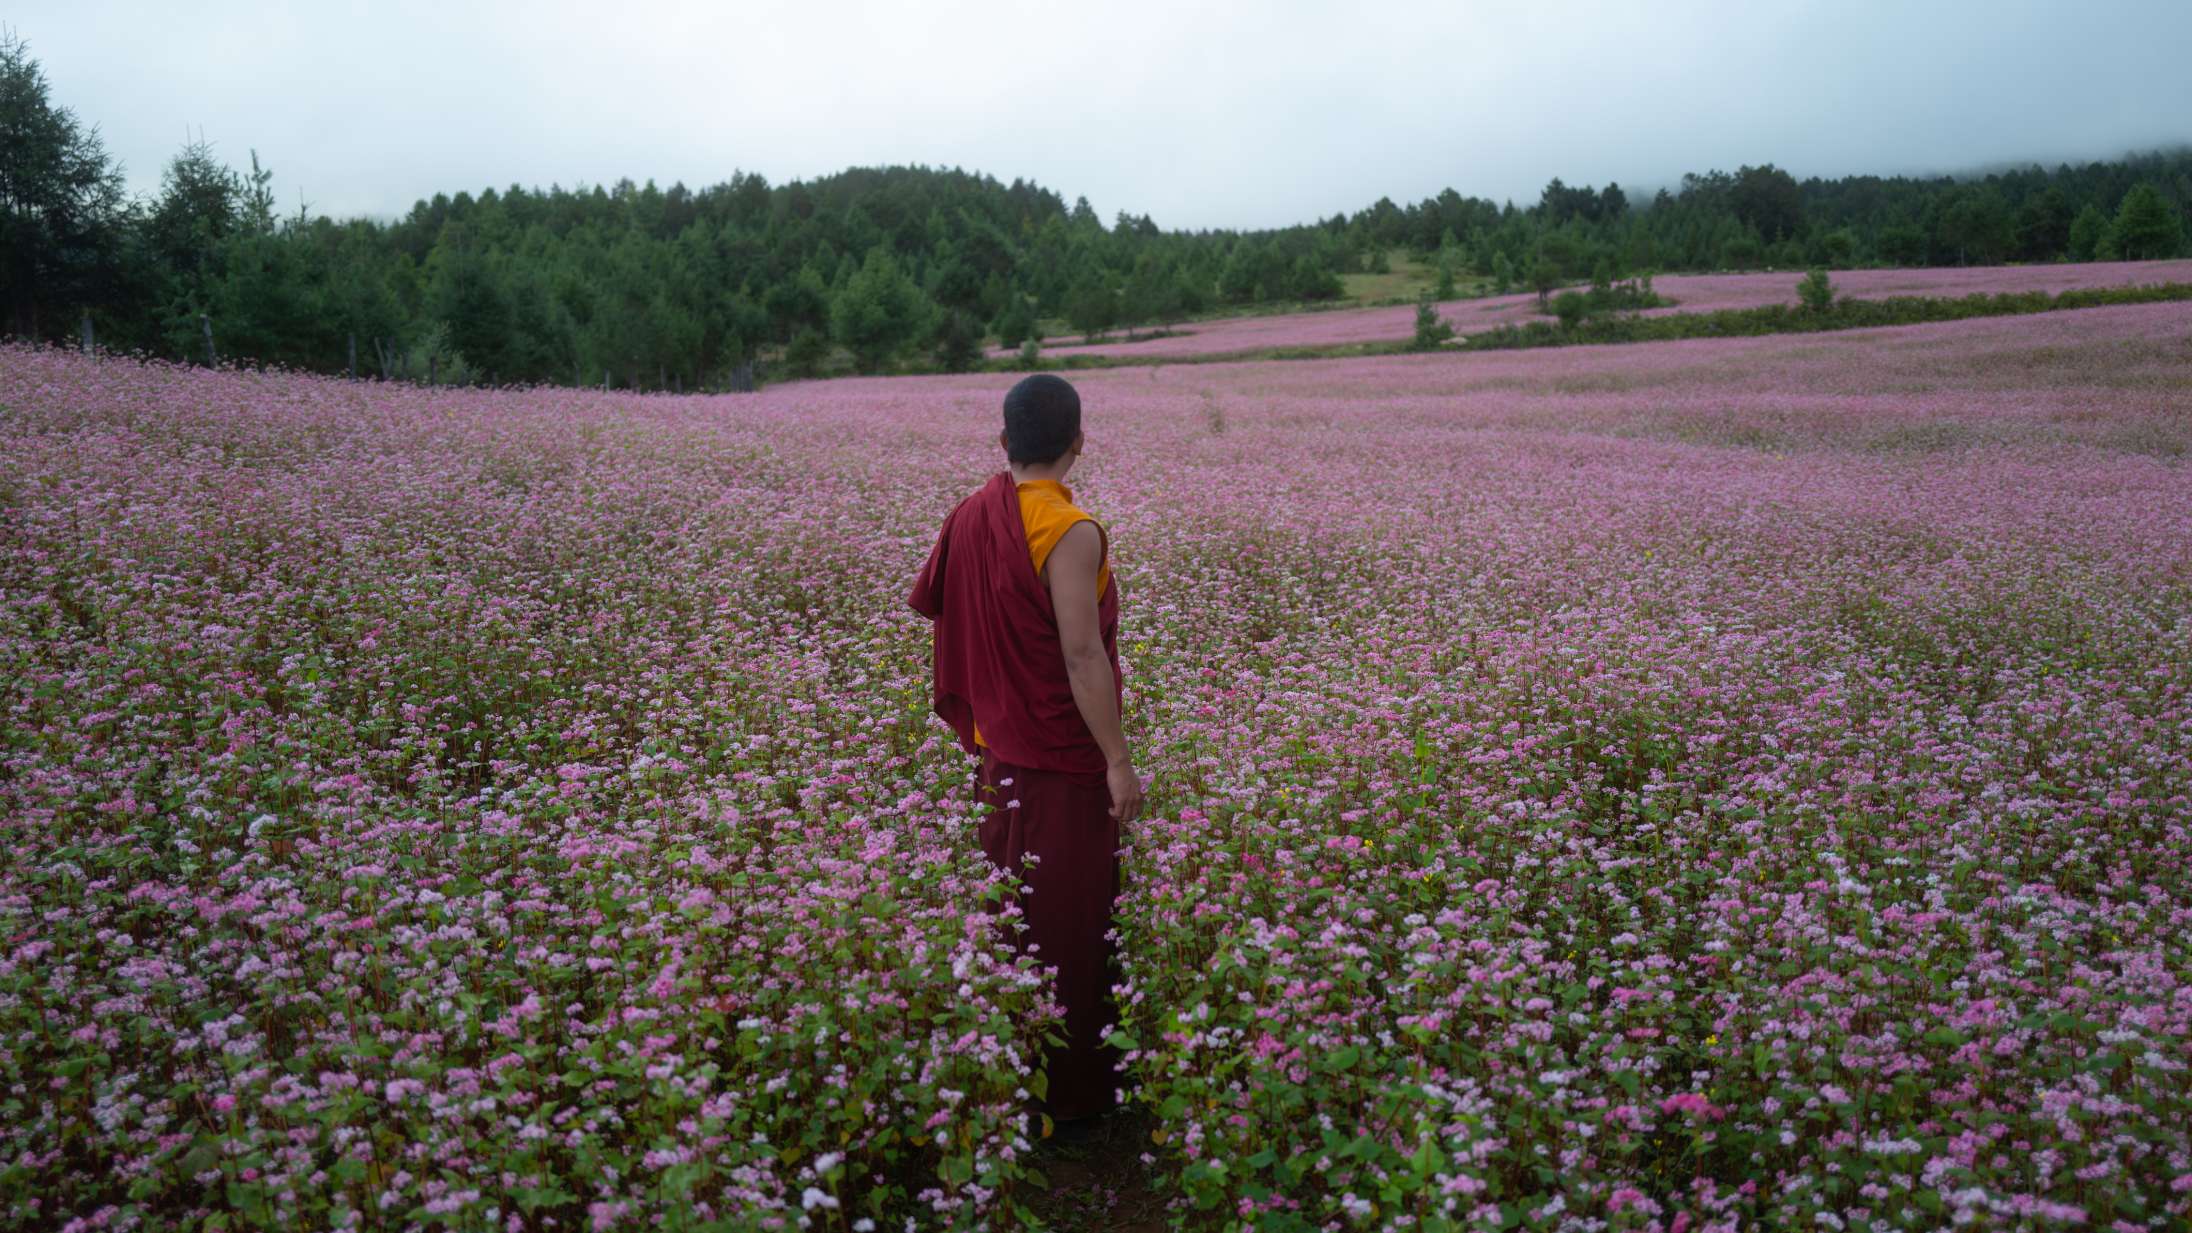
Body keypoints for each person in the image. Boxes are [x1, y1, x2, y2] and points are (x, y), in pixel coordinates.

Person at [907, 373, 1145, 1130]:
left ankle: (1006, 1080)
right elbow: (1081, 654)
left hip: (1002, 752)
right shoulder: (1069, 529)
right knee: (1070, 923)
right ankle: (1070, 1102)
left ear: (1004, 441)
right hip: (1063, 762)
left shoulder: (971, 515)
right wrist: (1116, 758)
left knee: (1013, 912)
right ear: (1079, 442)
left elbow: (950, 613)